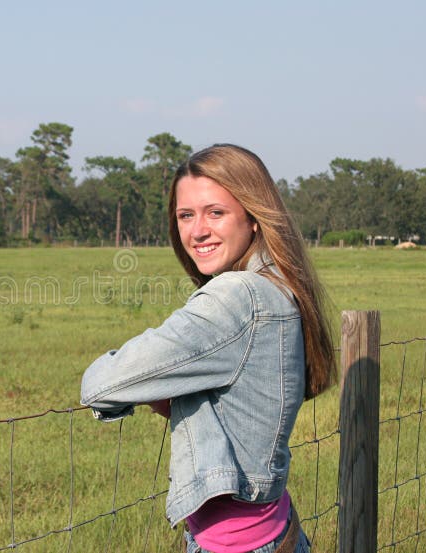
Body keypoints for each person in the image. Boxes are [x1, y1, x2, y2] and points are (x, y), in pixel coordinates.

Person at [80, 144, 335, 553]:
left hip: (236, 546)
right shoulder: (277, 285)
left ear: (253, 216)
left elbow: (101, 385)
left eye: (215, 212)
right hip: (276, 528)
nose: (197, 230)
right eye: (185, 215)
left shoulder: (236, 297)